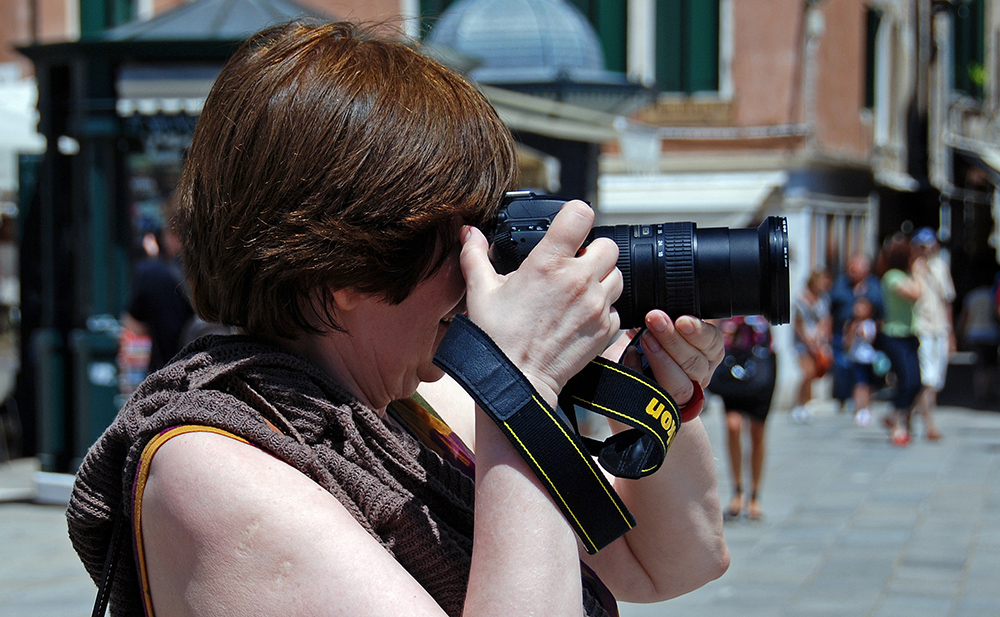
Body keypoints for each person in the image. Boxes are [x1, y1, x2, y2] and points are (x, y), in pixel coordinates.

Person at [66, 22, 729, 617]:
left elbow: (674, 560)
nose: (483, 268)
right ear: (347, 265)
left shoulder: (412, 410)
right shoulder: (209, 471)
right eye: (462, 234)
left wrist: (647, 390)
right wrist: (521, 387)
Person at [709, 316, 776, 522]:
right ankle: (737, 491)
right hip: (732, 364)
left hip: (761, 363)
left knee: (757, 432)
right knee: (733, 426)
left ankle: (755, 494)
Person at [122, 222, 194, 374]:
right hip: (203, 368)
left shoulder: (150, 272)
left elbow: (133, 324)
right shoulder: (207, 273)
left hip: (165, 370)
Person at [875, 233, 924, 446]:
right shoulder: (892, 277)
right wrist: (918, 272)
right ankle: (898, 425)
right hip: (894, 336)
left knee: (916, 383)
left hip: (909, 335)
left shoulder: (902, 275)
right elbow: (915, 294)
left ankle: (895, 416)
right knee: (906, 381)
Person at [910, 228, 955, 440]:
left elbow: (947, 300)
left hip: (940, 328)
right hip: (922, 327)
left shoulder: (941, 266)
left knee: (937, 380)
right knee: (927, 377)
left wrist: (951, 332)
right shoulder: (913, 267)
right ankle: (928, 424)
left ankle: (905, 414)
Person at [828, 254, 884, 409]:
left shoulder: (874, 287)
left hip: (867, 334)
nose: (851, 272)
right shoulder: (840, 284)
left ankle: (859, 398)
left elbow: (882, 311)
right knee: (842, 365)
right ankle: (843, 396)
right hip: (842, 330)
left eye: (855, 269)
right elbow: (831, 309)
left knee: (864, 371)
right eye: (850, 269)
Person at [791, 269, 833, 422]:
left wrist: (822, 338)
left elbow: (826, 320)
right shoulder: (801, 299)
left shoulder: (823, 300)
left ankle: (805, 403)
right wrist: (807, 341)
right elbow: (798, 324)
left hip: (818, 340)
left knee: (814, 373)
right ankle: (799, 404)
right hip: (803, 341)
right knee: (807, 372)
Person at [843, 297, 881, 427]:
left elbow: (872, 338)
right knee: (859, 384)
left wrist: (862, 332)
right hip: (856, 359)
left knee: (868, 385)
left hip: (868, 359)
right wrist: (852, 332)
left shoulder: (870, 324)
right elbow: (847, 343)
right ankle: (859, 408)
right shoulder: (850, 324)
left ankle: (866, 406)